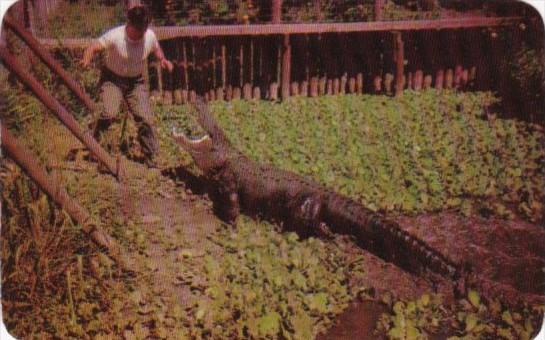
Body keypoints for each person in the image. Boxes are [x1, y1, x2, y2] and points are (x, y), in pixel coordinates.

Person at [81, 5, 173, 167]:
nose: (141, 33)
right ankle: (94, 144)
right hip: (113, 80)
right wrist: (87, 59)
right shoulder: (116, 36)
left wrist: (163, 60)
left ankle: (152, 158)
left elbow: (156, 48)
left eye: (143, 29)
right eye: (138, 29)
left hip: (136, 82)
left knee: (146, 118)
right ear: (129, 23)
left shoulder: (149, 36)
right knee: (109, 113)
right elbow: (93, 47)